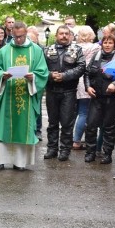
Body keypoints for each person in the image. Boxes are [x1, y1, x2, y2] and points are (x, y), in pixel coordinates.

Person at [0, 21, 49, 170]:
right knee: (4, 126)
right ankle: (1, 160)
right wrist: (3, 76)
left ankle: (19, 162)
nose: (18, 40)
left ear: (26, 33)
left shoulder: (35, 50)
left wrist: (33, 77)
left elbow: (43, 73)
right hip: (7, 96)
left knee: (23, 126)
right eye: (15, 37)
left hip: (26, 97)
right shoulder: (4, 51)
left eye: (21, 36)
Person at [43, 25, 86, 161]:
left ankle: (65, 150)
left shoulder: (77, 50)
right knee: (52, 122)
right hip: (51, 90)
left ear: (71, 36)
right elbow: (40, 67)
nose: (64, 36)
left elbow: (81, 67)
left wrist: (64, 76)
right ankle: (52, 148)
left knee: (67, 123)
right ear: (56, 35)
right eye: (61, 33)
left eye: (67, 34)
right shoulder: (47, 49)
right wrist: (50, 75)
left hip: (69, 91)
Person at [82, 34, 115, 163]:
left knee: (109, 128)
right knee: (91, 126)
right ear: (102, 44)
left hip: (111, 99)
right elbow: (87, 73)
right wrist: (88, 87)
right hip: (96, 98)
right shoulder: (96, 56)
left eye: (110, 43)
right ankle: (90, 152)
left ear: (114, 45)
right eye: (105, 42)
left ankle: (107, 154)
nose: (107, 45)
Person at [72, 25, 99, 150]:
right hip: (86, 82)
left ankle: (71, 138)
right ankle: (76, 141)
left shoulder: (74, 48)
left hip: (74, 80)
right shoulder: (95, 47)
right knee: (84, 112)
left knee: (76, 112)